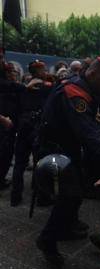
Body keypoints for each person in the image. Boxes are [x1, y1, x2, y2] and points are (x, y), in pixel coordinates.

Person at [36, 56, 100, 269]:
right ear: (93, 74)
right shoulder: (75, 93)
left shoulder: (84, 89)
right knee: (69, 195)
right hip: (54, 151)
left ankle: (68, 226)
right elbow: (90, 135)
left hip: (68, 148)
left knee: (78, 188)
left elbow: (92, 129)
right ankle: (47, 240)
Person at [10, 60, 53, 206]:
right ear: (38, 71)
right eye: (42, 69)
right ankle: (40, 196)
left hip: (23, 125)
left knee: (20, 164)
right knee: (38, 163)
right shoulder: (45, 86)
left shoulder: (22, 86)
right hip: (36, 126)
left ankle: (15, 197)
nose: (45, 70)